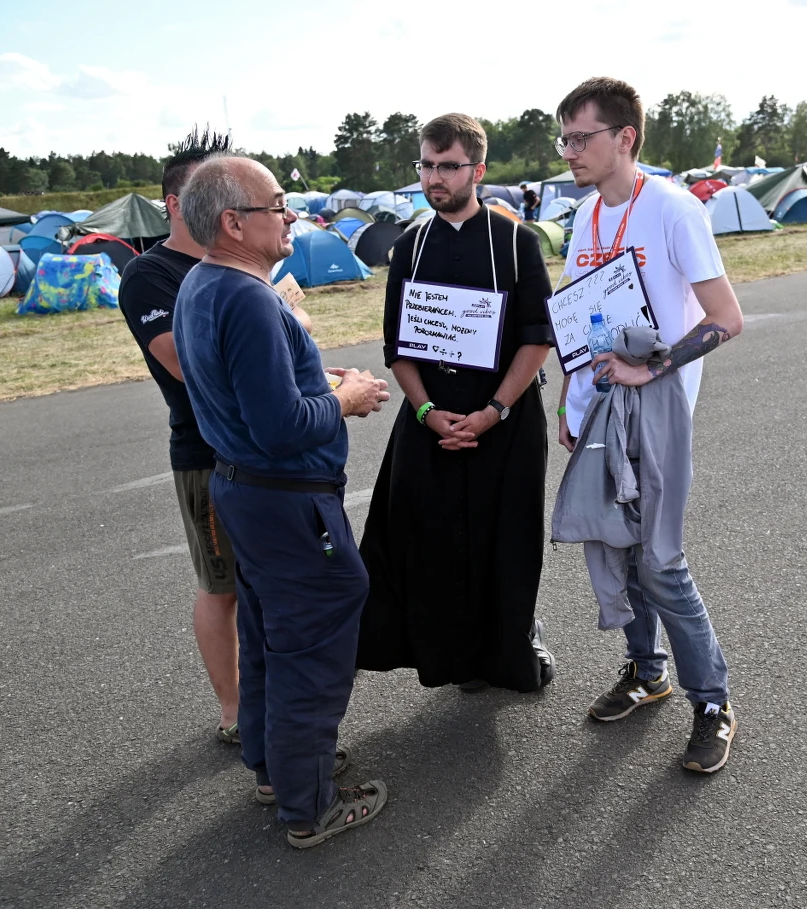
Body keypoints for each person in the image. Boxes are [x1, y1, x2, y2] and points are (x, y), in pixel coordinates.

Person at [174, 156, 392, 850]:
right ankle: (308, 803)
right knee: (315, 639)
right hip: (285, 497)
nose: (290, 215)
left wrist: (318, 380)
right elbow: (281, 426)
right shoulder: (247, 297)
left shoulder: (202, 284)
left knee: (271, 634)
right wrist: (347, 398)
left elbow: (251, 394)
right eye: (278, 204)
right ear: (234, 221)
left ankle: (275, 766)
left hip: (246, 490)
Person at [554, 77, 744, 773]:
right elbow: (580, 320)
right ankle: (646, 669)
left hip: (656, 407)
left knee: (661, 561)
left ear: (625, 138)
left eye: (582, 137)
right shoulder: (583, 217)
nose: (569, 150)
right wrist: (570, 405)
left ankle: (713, 702)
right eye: (565, 138)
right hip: (598, 408)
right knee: (615, 545)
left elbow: (727, 319)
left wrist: (652, 369)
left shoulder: (671, 210)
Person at [357, 114, 557, 693]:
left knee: (508, 539)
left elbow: (536, 337)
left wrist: (494, 411)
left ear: (478, 169)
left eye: (449, 166)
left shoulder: (516, 242)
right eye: (427, 165)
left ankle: (516, 640)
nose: (435, 177)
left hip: (507, 415)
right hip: (431, 416)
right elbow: (398, 348)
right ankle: (451, 656)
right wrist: (425, 412)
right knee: (432, 543)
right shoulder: (409, 245)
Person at [118, 127, 247, 745]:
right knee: (221, 587)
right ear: (176, 203)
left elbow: (291, 331)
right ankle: (234, 713)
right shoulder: (151, 275)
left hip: (262, 449)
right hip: (207, 455)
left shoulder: (238, 262)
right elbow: (183, 360)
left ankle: (267, 703)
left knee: (264, 587)